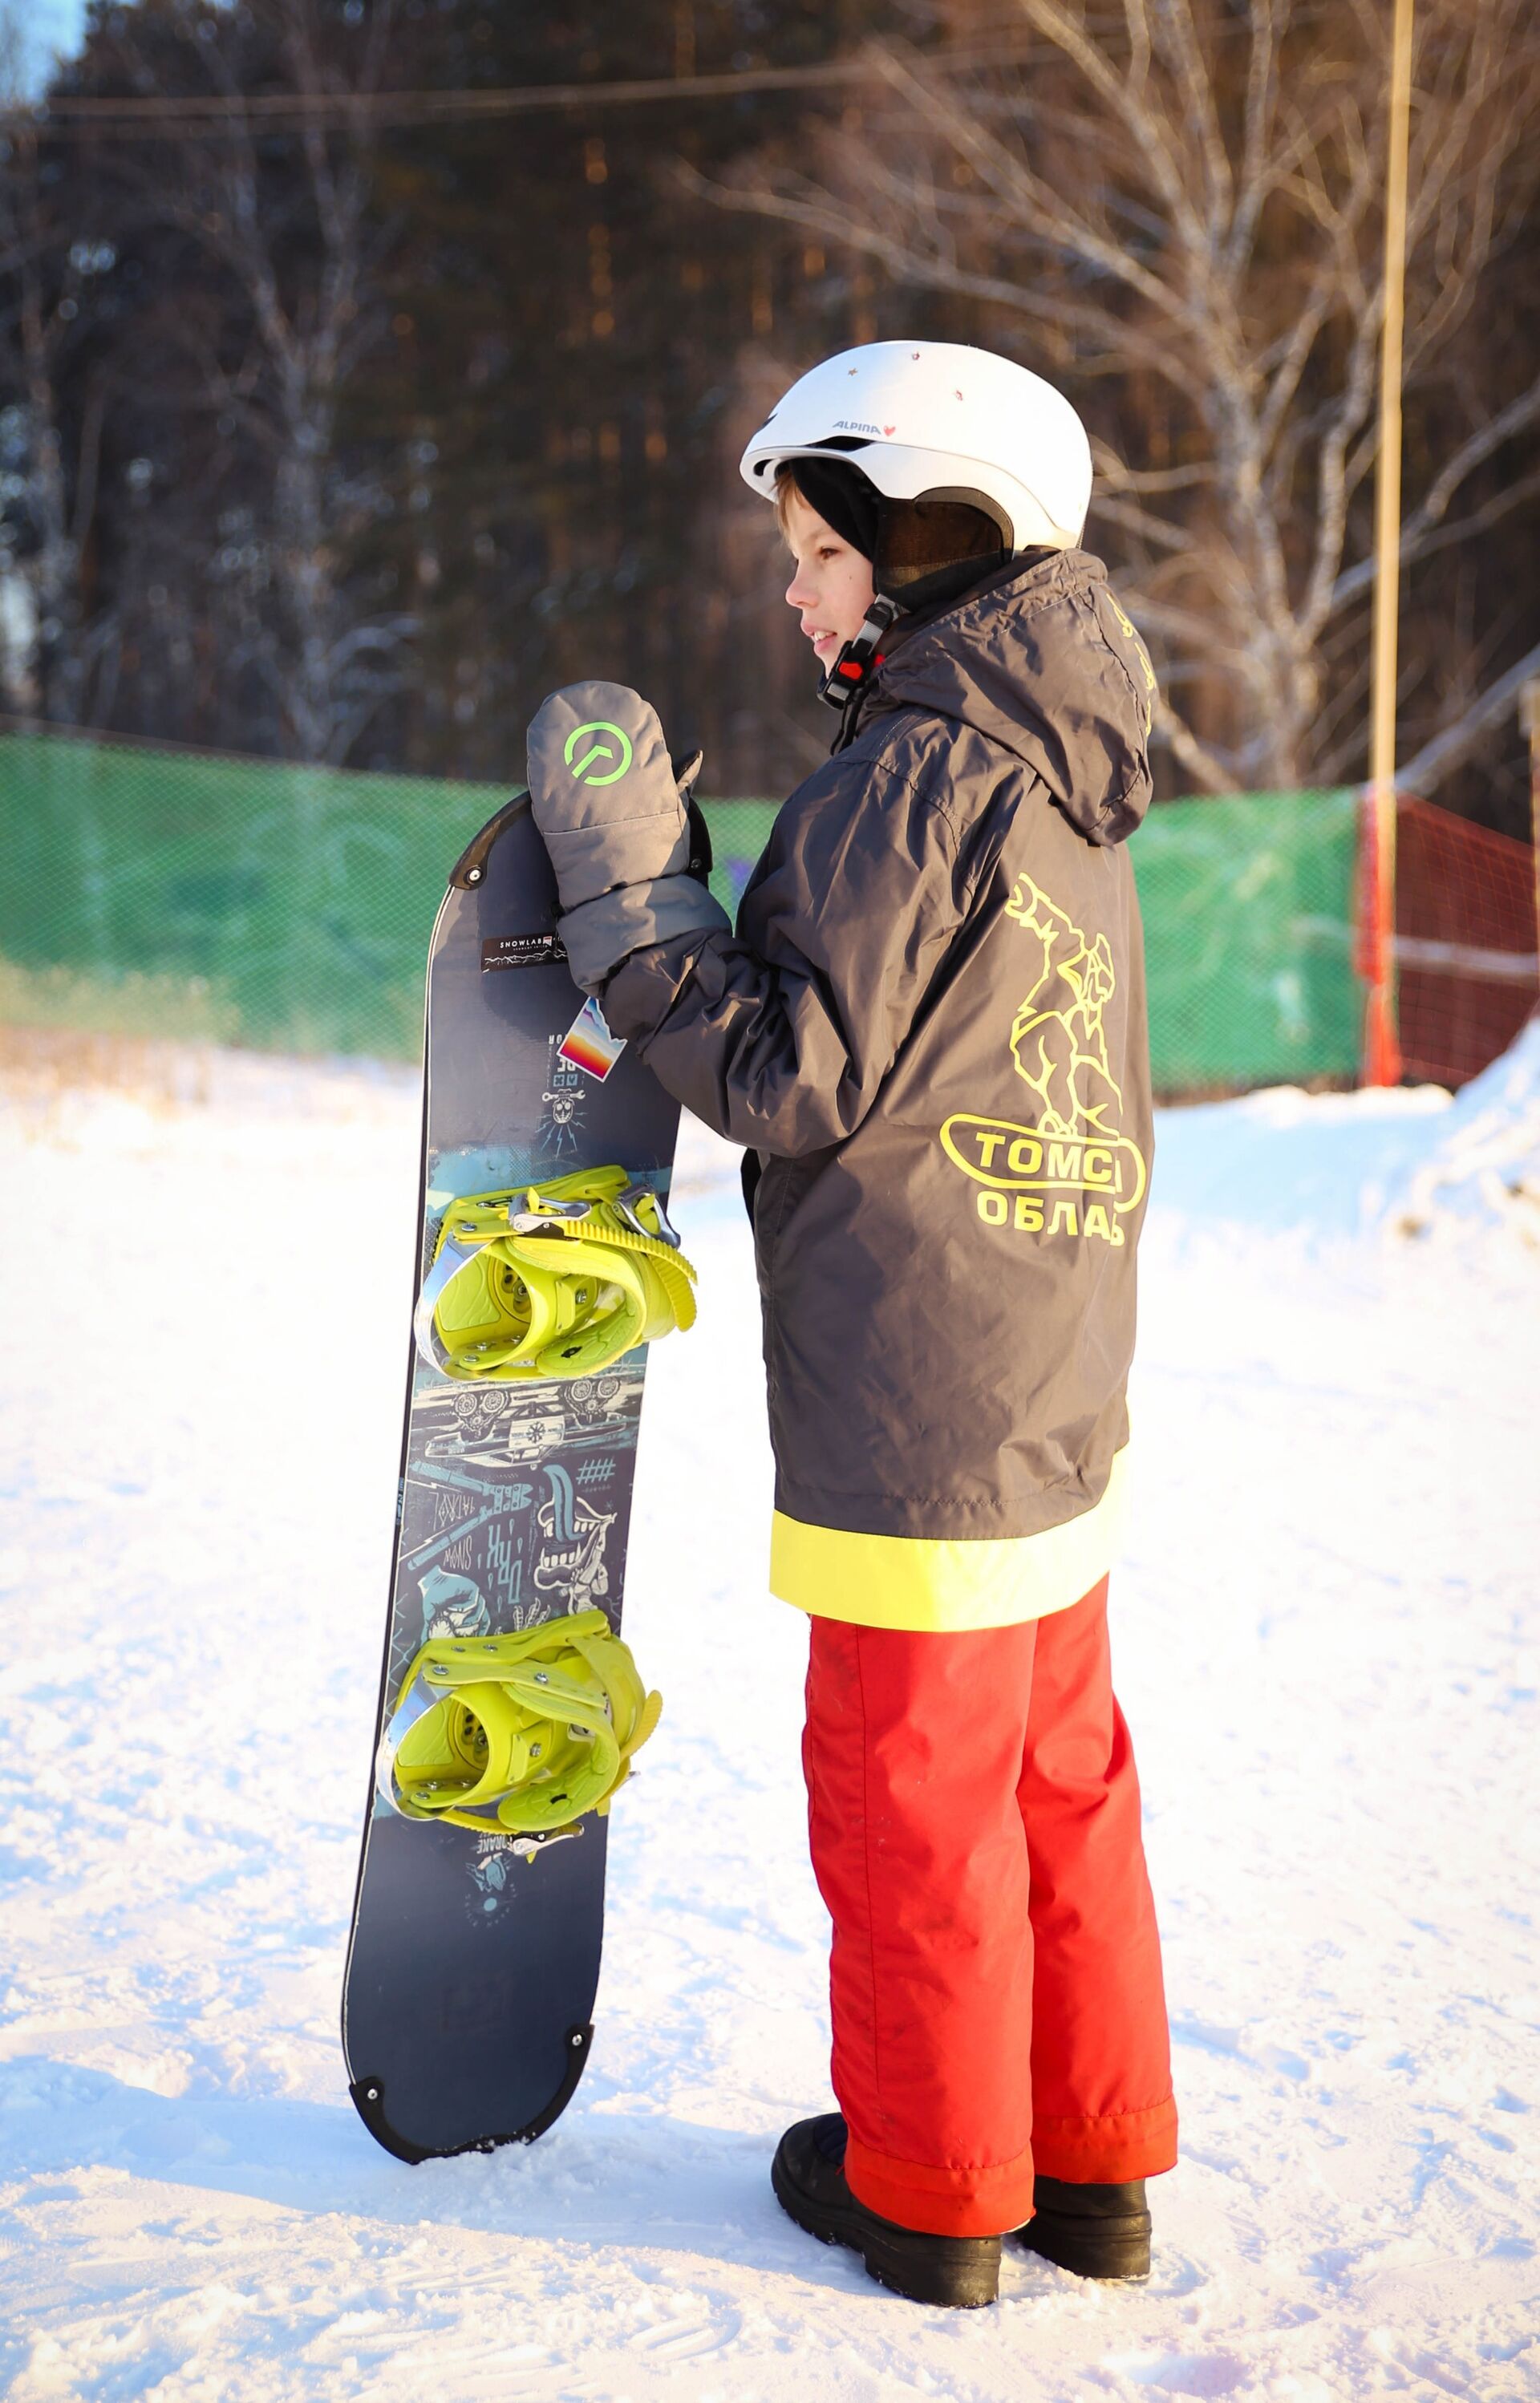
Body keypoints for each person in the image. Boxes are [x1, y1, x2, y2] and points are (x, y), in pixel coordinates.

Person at [525, 339, 1176, 2311]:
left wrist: (638, 911)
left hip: (920, 1393)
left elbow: (793, 1070)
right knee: (1060, 1778)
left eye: (817, 550)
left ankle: (931, 2186)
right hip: (1055, 1372)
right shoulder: (1069, 776)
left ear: (927, 534)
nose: (796, 593)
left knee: (908, 1792)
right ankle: (1091, 2163)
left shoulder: (910, 767)